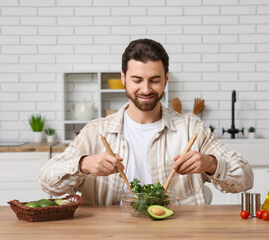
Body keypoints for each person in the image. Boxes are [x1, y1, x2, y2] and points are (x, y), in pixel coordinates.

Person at [39, 38, 253, 205]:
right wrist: (83, 165)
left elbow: (246, 178)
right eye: (137, 80)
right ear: (123, 77)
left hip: (176, 232)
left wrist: (210, 163)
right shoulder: (97, 131)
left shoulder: (191, 128)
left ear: (166, 79)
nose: (146, 89)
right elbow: (48, 182)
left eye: (155, 80)